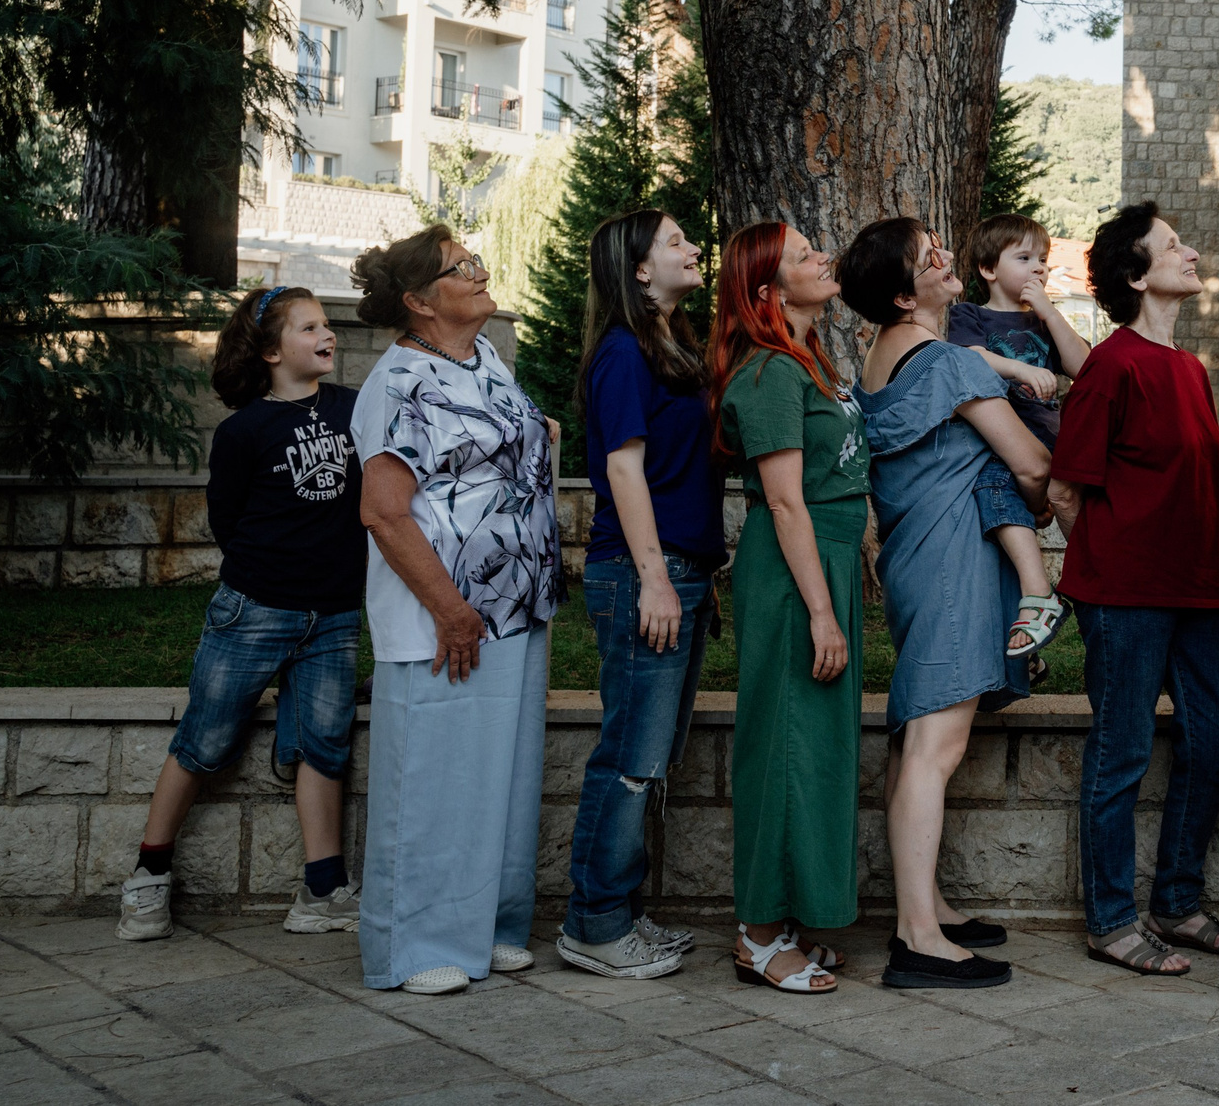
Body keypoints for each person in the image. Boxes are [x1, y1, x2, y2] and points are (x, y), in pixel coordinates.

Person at [350, 224, 564, 995]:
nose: (479, 272)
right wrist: (450, 610)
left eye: (473, 260)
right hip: (446, 616)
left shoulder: (486, 359)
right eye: (460, 267)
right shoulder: (396, 384)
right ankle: (414, 943)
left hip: (513, 604)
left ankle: (486, 927)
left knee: (499, 778)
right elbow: (384, 511)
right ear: (418, 300)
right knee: (434, 776)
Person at [841, 217, 1052, 991]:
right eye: (926, 255)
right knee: (938, 744)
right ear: (903, 294)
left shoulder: (880, 356)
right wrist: (1040, 496)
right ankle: (919, 936)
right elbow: (1029, 461)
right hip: (955, 559)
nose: (943, 255)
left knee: (914, 735)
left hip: (913, 557)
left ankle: (926, 904)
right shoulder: (949, 365)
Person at [120, 286, 365, 943]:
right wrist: (272, 575)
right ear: (268, 349)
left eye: (328, 325)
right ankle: (148, 874)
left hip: (335, 614)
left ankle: (322, 888)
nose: (328, 334)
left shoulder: (353, 408)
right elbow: (227, 520)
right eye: (310, 326)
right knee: (203, 740)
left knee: (324, 747)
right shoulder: (243, 430)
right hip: (254, 610)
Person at [1044, 203, 1219, 978]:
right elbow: (1066, 490)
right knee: (1121, 752)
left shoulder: (1189, 369)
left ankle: (1178, 901)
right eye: (1172, 246)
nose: (1190, 252)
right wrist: (1113, 560)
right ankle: (1111, 918)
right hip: (1122, 593)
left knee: (1218, 737)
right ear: (1136, 274)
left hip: (1194, 590)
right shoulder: (1111, 364)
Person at [558, 210, 717, 979]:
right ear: (639, 268)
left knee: (650, 758)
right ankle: (592, 923)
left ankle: (615, 911)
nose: (693, 248)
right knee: (628, 756)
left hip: (678, 571)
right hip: (642, 573)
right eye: (676, 241)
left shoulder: (673, 346)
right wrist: (655, 577)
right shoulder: (622, 352)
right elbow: (622, 471)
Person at [712, 220, 865, 996]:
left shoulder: (808, 361)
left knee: (817, 745)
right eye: (805, 255)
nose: (822, 258)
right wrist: (821, 612)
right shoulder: (770, 372)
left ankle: (793, 917)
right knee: (782, 746)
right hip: (793, 575)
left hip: (825, 565)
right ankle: (758, 933)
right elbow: (783, 500)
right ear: (768, 291)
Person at [947, 212, 1090, 658]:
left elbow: (1083, 366)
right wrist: (1021, 367)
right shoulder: (968, 315)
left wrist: (1049, 310)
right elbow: (970, 360)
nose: (1039, 268)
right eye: (1024, 257)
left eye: (1043, 259)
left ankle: (1046, 592)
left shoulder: (1045, 321)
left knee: (997, 487)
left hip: (1045, 442)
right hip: (1000, 441)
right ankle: (1027, 635)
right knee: (995, 504)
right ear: (989, 269)